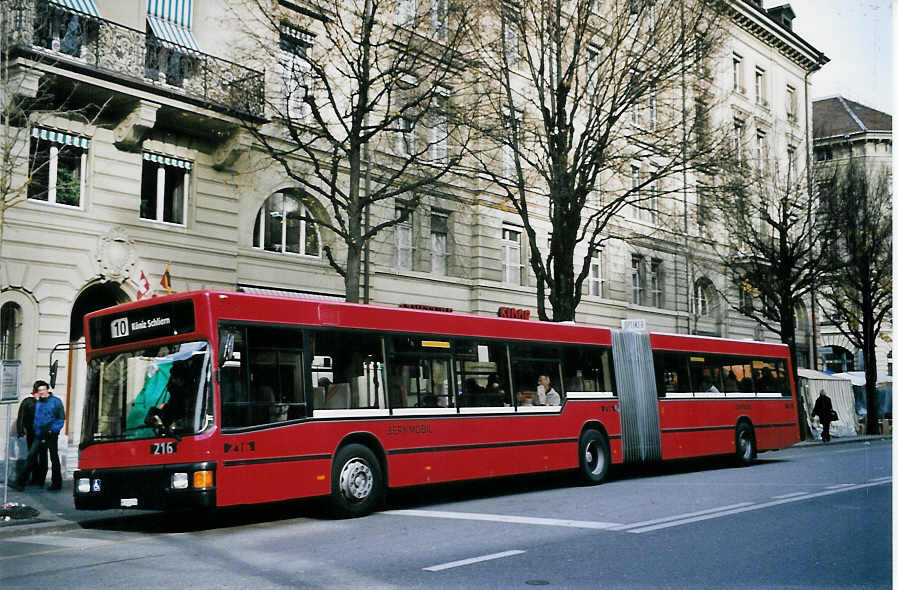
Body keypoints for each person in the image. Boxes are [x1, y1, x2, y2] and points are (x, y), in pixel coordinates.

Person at [12, 380, 66, 491]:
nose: (41, 392)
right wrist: (37, 430)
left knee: (54, 457)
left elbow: (61, 418)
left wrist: (53, 430)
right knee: (31, 456)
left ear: (47, 389)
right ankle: (20, 482)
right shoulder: (38, 402)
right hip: (39, 434)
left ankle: (56, 483)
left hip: (51, 433)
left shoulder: (56, 402)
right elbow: (36, 419)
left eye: (43, 389)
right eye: (39, 390)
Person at [15, 388, 44, 486]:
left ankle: (37, 479)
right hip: (33, 434)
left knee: (40, 457)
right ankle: (24, 479)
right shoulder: (28, 402)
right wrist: (20, 431)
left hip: (43, 434)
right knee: (33, 456)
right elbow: (21, 417)